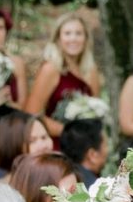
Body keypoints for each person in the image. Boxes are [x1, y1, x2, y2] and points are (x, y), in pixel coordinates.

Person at [24, 13, 102, 141]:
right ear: (58, 39)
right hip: (59, 143)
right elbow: (31, 114)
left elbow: (96, 111)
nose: (73, 39)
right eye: (67, 33)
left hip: (86, 143)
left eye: (78, 33)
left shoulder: (90, 70)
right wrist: (68, 132)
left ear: (86, 39)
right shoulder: (50, 69)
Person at [60, 118, 108, 188]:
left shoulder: (56, 179)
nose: (107, 151)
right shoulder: (96, 192)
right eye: (105, 145)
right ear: (92, 155)